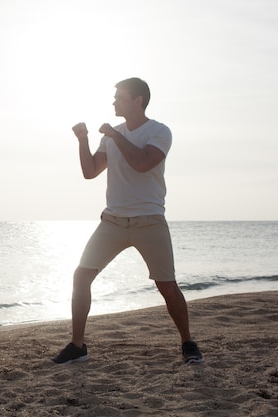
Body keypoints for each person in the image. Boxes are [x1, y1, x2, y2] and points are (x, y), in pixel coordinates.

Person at [52, 77, 203, 366]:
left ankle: (188, 342)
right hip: (113, 221)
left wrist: (113, 134)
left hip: (150, 221)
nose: (114, 102)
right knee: (81, 276)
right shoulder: (110, 136)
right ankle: (77, 345)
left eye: (120, 97)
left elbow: (143, 162)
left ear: (138, 100)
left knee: (167, 286)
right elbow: (90, 171)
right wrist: (83, 141)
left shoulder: (159, 131)